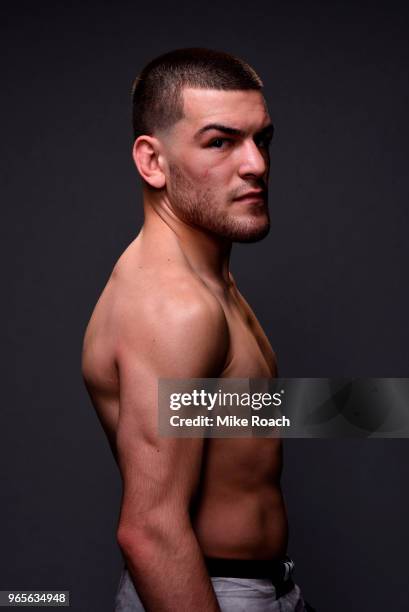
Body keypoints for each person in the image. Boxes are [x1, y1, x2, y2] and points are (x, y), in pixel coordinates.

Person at [82, 48, 313, 612]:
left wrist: (379, 412)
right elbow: (150, 529)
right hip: (207, 592)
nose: (256, 164)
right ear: (152, 162)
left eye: (262, 140)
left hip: (262, 588)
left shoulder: (204, 284)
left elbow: (230, 413)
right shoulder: (175, 306)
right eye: (221, 141)